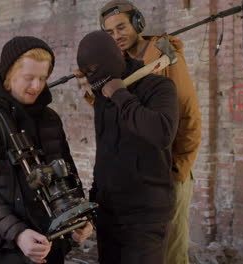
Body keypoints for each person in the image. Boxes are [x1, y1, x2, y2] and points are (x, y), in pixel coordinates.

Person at [0, 36, 93, 264]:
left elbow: (66, 172)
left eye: (42, 78)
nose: (37, 86)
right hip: (0, 249)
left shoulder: (50, 118)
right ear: (9, 74)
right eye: (28, 78)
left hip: (49, 242)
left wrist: (77, 219)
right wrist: (17, 233)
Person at [99, 1, 202, 263]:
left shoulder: (163, 53)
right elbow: (120, 115)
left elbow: (188, 113)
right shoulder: (117, 64)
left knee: (172, 250)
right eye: (109, 32)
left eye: (121, 26)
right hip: (139, 177)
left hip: (170, 171)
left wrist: (178, 168)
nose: (117, 36)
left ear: (137, 22)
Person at [76, 31, 179, 264]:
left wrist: (121, 95)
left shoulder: (159, 87)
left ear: (113, 58)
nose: (94, 76)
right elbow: (104, 156)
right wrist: (93, 206)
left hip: (146, 216)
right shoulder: (102, 96)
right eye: (88, 72)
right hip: (108, 214)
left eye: (96, 68)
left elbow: (161, 133)